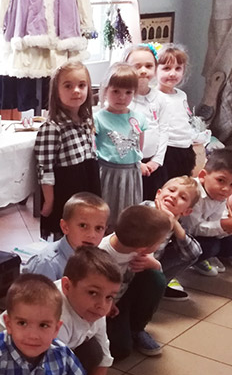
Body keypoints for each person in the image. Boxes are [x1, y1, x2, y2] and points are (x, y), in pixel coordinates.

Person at [0, 248, 121, 375]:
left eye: (109, 297)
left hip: (43, 357)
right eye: (93, 293)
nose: (102, 305)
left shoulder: (93, 310)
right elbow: (40, 370)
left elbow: (105, 357)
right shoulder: (56, 317)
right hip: (8, 370)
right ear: (67, 287)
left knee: (94, 351)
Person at [34, 61, 101, 240]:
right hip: (67, 190)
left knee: (86, 230)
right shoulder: (52, 127)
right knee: (68, 235)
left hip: (88, 184)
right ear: (56, 91)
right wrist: (49, 201)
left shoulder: (87, 121)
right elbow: (45, 169)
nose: (76, 91)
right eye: (68, 86)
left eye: (82, 85)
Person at [99, 205, 172, 359]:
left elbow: (155, 272)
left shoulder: (137, 246)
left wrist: (154, 264)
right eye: (160, 242)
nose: (160, 244)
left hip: (124, 297)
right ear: (142, 249)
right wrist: (107, 303)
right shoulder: (102, 256)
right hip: (105, 306)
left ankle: (136, 329)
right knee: (120, 350)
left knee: (156, 278)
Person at [94, 62, 146, 232]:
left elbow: (139, 146)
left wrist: (138, 163)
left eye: (128, 92)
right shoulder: (98, 118)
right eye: (116, 91)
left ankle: (124, 241)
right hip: (107, 173)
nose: (122, 97)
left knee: (128, 214)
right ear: (105, 90)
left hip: (131, 174)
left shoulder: (139, 118)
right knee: (105, 213)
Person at [181, 149, 232, 276]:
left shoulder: (218, 194)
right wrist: (224, 225)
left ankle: (211, 256)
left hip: (200, 231)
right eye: (221, 180)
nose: (226, 189)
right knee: (212, 246)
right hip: (179, 237)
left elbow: (215, 220)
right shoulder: (192, 192)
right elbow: (192, 229)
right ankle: (192, 261)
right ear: (202, 176)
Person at [24, 192, 109, 281]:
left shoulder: (99, 258)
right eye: (83, 225)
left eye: (99, 228)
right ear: (65, 227)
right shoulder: (47, 264)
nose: (92, 235)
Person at [156, 44, 210, 179]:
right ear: (155, 69)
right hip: (166, 149)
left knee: (183, 181)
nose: (172, 73)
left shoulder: (181, 95)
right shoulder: (154, 96)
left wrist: (194, 136)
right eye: (166, 68)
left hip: (185, 147)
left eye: (178, 68)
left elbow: (185, 120)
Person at [144, 176, 202, 301]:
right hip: (131, 263)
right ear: (158, 194)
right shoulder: (143, 209)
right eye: (171, 190)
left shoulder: (177, 222)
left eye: (183, 197)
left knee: (188, 251)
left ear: (187, 211)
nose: (174, 196)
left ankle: (158, 286)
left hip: (151, 266)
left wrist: (173, 222)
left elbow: (194, 253)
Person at [124, 44, 169, 200]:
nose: (143, 70)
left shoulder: (160, 98)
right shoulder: (123, 99)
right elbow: (121, 135)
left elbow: (164, 130)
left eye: (149, 66)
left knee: (151, 202)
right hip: (129, 164)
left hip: (153, 165)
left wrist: (157, 160)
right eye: (137, 66)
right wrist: (137, 162)